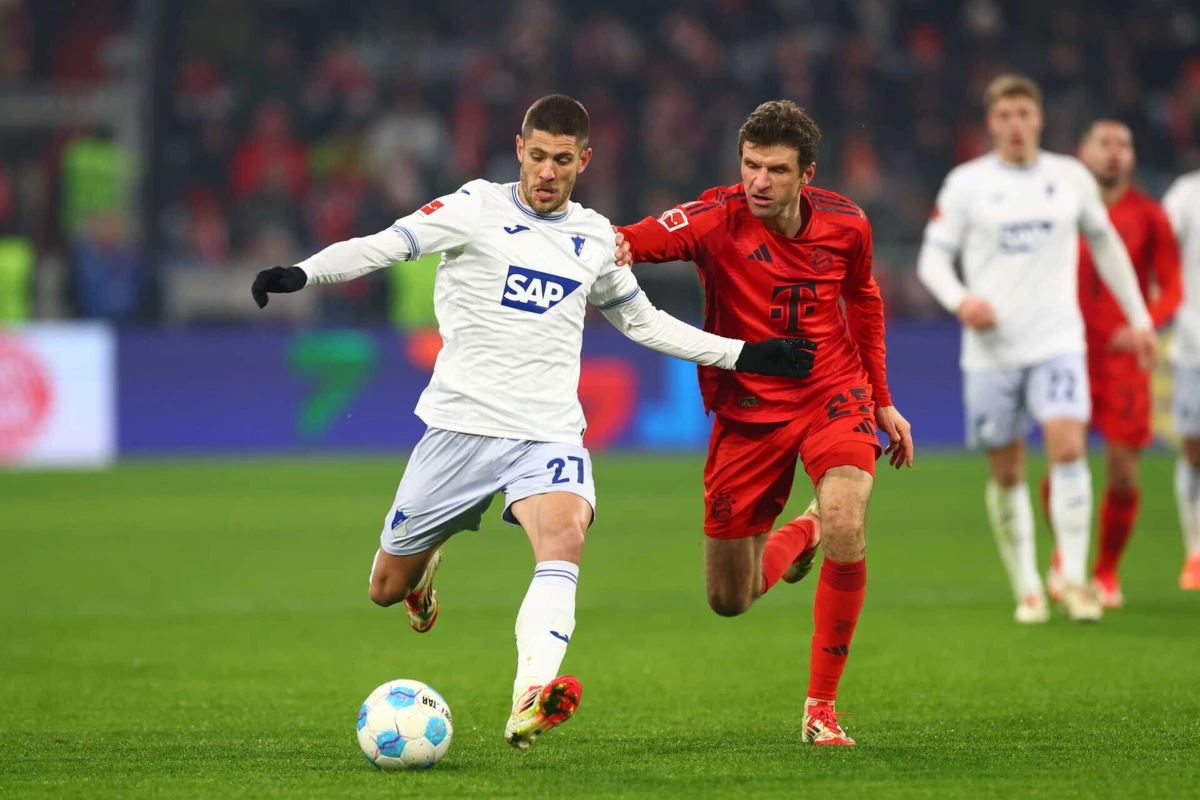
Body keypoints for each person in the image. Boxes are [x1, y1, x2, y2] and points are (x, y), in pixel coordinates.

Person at [250, 95, 817, 751]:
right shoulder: (473, 209)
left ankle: (529, 698)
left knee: (565, 534)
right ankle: (425, 568)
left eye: (563, 160)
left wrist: (748, 353)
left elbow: (644, 323)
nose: (549, 172)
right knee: (384, 587)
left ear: (585, 160)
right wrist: (302, 273)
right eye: (539, 156)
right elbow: (388, 246)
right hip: (459, 429)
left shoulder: (597, 239)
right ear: (521, 150)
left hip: (547, 431)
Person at [614, 100, 914, 747]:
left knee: (847, 519)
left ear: (808, 173)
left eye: (776, 170)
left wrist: (881, 397)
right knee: (731, 598)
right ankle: (800, 531)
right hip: (747, 411)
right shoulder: (716, 218)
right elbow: (635, 239)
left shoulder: (847, 225)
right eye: (750, 165)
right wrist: (585, 243)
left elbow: (863, 299)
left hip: (832, 392)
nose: (759, 182)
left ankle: (821, 709)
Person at [916, 75, 1157, 624]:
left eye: (1025, 113)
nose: (1016, 124)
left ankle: (1072, 580)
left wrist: (1140, 318)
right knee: (1006, 471)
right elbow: (932, 258)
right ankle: (1027, 584)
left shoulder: (1068, 176)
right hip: (992, 349)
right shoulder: (966, 184)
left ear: (1040, 119)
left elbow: (1107, 245)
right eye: (1005, 116)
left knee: (1069, 449)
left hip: (1057, 341)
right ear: (991, 123)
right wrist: (961, 301)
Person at [1038, 120, 1181, 608]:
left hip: (1123, 362)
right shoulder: (1059, 208)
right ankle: (1066, 556)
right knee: (1063, 459)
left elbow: (1173, 287)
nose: (1114, 153)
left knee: (1123, 474)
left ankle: (1106, 573)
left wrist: (1146, 325)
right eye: (1105, 143)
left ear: (1134, 156)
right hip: (1068, 352)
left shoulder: (1150, 216)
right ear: (1083, 153)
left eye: (1124, 143)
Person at [1163, 170, 1200, 590]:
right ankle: (1195, 552)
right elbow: (1153, 253)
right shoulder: (1186, 193)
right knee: (1194, 449)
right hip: (1194, 343)